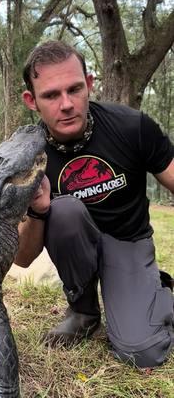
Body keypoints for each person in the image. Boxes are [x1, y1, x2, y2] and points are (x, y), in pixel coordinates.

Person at [14, 40, 174, 368]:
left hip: (128, 242)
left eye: (74, 89)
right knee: (64, 210)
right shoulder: (24, 156)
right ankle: (84, 311)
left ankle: (160, 292)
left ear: (89, 84)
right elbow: (24, 257)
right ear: (31, 100)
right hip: (76, 247)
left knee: (140, 352)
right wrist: (37, 209)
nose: (67, 104)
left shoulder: (132, 127)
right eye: (51, 95)